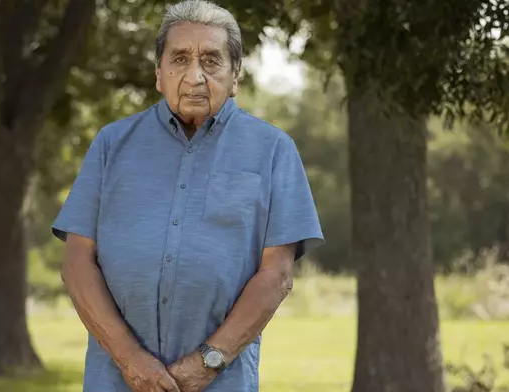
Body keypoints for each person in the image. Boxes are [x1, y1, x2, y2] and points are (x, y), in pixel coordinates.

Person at [52, 1, 324, 390]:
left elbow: (276, 275)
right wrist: (130, 360)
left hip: (222, 381)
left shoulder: (273, 150)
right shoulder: (112, 143)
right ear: (158, 74)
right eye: (179, 59)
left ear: (235, 76)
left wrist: (207, 362)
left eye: (211, 61)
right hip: (115, 380)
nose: (194, 76)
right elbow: (77, 263)